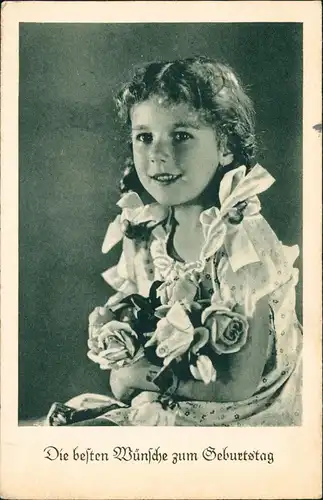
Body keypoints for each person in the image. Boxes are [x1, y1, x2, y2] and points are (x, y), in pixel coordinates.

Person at [48, 56, 302, 426]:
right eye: (144, 137)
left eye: (181, 136)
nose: (157, 155)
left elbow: (239, 384)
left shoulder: (241, 241)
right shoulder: (145, 229)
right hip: (179, 395)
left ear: (226, 146)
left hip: (247, 413)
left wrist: (136, 376)